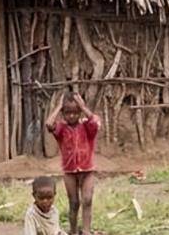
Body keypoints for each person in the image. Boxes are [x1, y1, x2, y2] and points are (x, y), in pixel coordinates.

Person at [46, 91, 100, 235]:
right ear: (63, 113)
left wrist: (83, 107)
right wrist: (58, 106)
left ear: (80, 112)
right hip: (69, 171)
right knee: (74, 203)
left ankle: (87, 231)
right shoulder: (61, 129)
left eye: (76, 113)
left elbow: (95, 122)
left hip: (87, 170)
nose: (72, 116)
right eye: (68, 113)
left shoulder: (87, 127)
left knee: (87, 200)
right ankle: (74, 230)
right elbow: (49, 124)